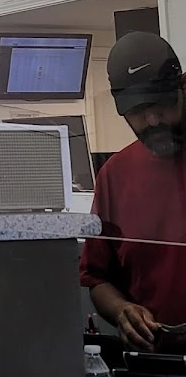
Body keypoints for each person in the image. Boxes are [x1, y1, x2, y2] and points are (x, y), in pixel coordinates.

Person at [80, 32, 186, 350]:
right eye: (138, 112)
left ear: (182, 88)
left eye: (161, 106)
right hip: (157, 357)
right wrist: (122, 310)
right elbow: (97, 278)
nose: (152, 120)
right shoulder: (115, 175)